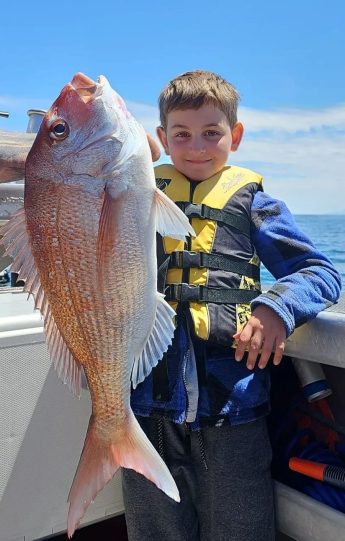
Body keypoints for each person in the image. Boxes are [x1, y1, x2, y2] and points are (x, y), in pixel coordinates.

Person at [122, 70, 341, 541]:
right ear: (162, 138)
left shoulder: (255, 204)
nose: (196, 146)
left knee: (240, 530)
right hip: (144, 409)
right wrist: (125, 149)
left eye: (211, 133)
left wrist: (275, 308)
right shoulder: (137, 192)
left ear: (235, 136)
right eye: (180, 135)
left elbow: (321, 272)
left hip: (234, 411)